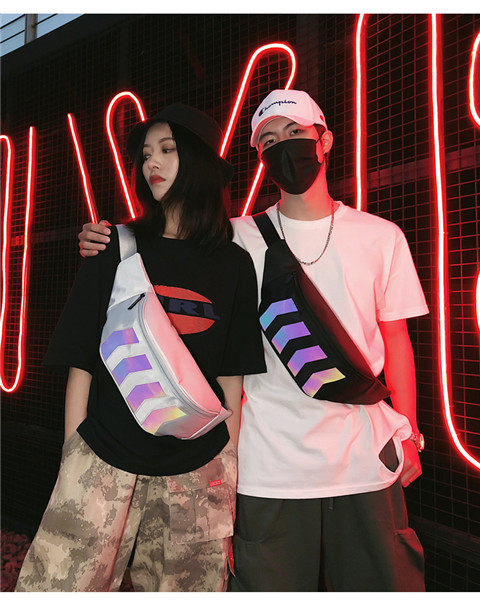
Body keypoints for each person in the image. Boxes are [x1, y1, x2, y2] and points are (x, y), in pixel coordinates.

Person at [77, 90, 429, 591]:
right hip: (268, 467)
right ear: (260, 155)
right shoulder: (235, 238)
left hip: (366, 461)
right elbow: (164, 243)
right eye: (268, 139)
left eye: (295, 133)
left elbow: (396, 340)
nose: (283, 146)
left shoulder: (381, 236)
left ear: (325, 139)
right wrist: (109, 239)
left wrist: (409, 433)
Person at [15, 103, 266, 592]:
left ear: (199, 161)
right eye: (147, 153)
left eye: (167, 150)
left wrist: (226, 471)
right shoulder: (114, 247)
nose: (152, 162)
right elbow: (82, 363)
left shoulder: (234, 264)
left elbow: (231, 379)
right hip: (104, 457)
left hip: (197, 470)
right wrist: (74, 454)